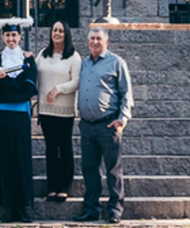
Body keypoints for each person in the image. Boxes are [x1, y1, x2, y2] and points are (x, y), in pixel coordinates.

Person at [76, 24, 132, 223]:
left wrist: (123, 118)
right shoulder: (84, 63)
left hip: (108, 125)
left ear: (106, 41)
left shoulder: (116, 62)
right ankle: (91, 209)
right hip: (87, 126)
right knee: (90, 169)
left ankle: (115, 210)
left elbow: (126, 94)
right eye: (92, 39)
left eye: (98, 39)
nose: (94, 42)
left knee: (113, 170)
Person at [0, 21, 39, 223]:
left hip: (20, 116)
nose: (11, 39)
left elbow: (28, 88)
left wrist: (6, 85)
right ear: (2, 37)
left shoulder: (29, 60)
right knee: (4, 159)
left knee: (21, 159)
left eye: (14, 36)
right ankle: (8, 206)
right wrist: (7, 85)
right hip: (1, 116)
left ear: (19, 37)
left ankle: (22, 207)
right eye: (7, 35)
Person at [35, 20, 81, 202]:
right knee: (51, 149)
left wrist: (58, 89)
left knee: (65, 147)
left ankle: (64, 186)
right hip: (46, 111)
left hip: (64, 111)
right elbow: (33, 68)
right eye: (54, 30)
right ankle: (52, 187)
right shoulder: (43, 54)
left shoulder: (73, 57)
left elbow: (77, 81)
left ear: (66, 34)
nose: (57, 33)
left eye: (61, 31)